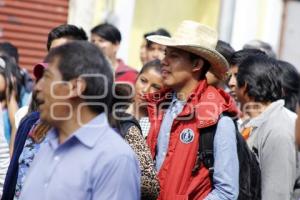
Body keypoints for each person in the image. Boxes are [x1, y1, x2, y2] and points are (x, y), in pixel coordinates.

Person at [18, 41, 140, 200]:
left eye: (47, 78)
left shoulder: (114, 159)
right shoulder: (46, 144)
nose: (37, 87)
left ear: (76, 87)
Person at [145, 20, 239, 200]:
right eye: (166, 54)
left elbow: (226, 192)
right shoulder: (159, 107)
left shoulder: (216, 119)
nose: (163, 61)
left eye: (174, 56)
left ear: (196, 64)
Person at [235, 54, 298, 200]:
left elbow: (276, 194)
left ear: (244, 86)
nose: (231, 83)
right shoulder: (256, 122)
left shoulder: (277, 129)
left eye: (235, 78)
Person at [126, 59, 164, 138]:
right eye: (143, 81)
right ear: (136, 78)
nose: (145, 90)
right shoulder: (117, 110)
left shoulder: (160, 126)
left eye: (155, 87)